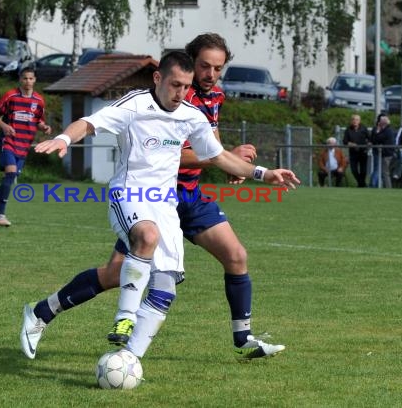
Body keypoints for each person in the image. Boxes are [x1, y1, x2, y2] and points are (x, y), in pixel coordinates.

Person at [24, 49, 299, 362]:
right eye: (175, 85)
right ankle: (125, 317)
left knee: (165, 287)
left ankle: (129, 358)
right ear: (158, 78)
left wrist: (264, 174)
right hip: (129, 193)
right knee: (147, 237)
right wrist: (63, 139)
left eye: (186, 86)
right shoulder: (135, 104)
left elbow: (219, 156)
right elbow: (89, 122)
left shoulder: (191, 115)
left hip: (166, 204)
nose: (181, 93)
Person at [0, 67, 52, 228]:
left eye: (31, 79)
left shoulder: (39, 101)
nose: (28, 82)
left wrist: (44, 127)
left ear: (35, 80)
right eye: (25, 78)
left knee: (9, 179)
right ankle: (1, 215)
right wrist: (4, 126)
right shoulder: (11, 96)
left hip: (24, 145)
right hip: (9, 142)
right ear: (20, 79)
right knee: (11, 173)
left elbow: (38, 120)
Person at [342, 114, 369, 187]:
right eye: (353, 119)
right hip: (353, 153)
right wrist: (350, 143)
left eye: (357, 120)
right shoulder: (348, 130)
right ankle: (362, 184)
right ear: (351, 121)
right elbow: (344, 141)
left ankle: (361, 185)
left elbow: (369, 138)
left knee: (363, 171)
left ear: (359, 121)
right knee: (354, 170)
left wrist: (368, 144)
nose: (355, 121)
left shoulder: (364, 128)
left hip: (363, 152)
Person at [370, 114, 395, 188]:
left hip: (386, 154)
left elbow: (377, 138)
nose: (378, 123)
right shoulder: (386, 130)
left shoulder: (387, 130)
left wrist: (377, 131)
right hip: (384, 153)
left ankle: (387, 188)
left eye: (380, 121)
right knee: (383, 171)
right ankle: (381, 186)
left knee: (385, 172)